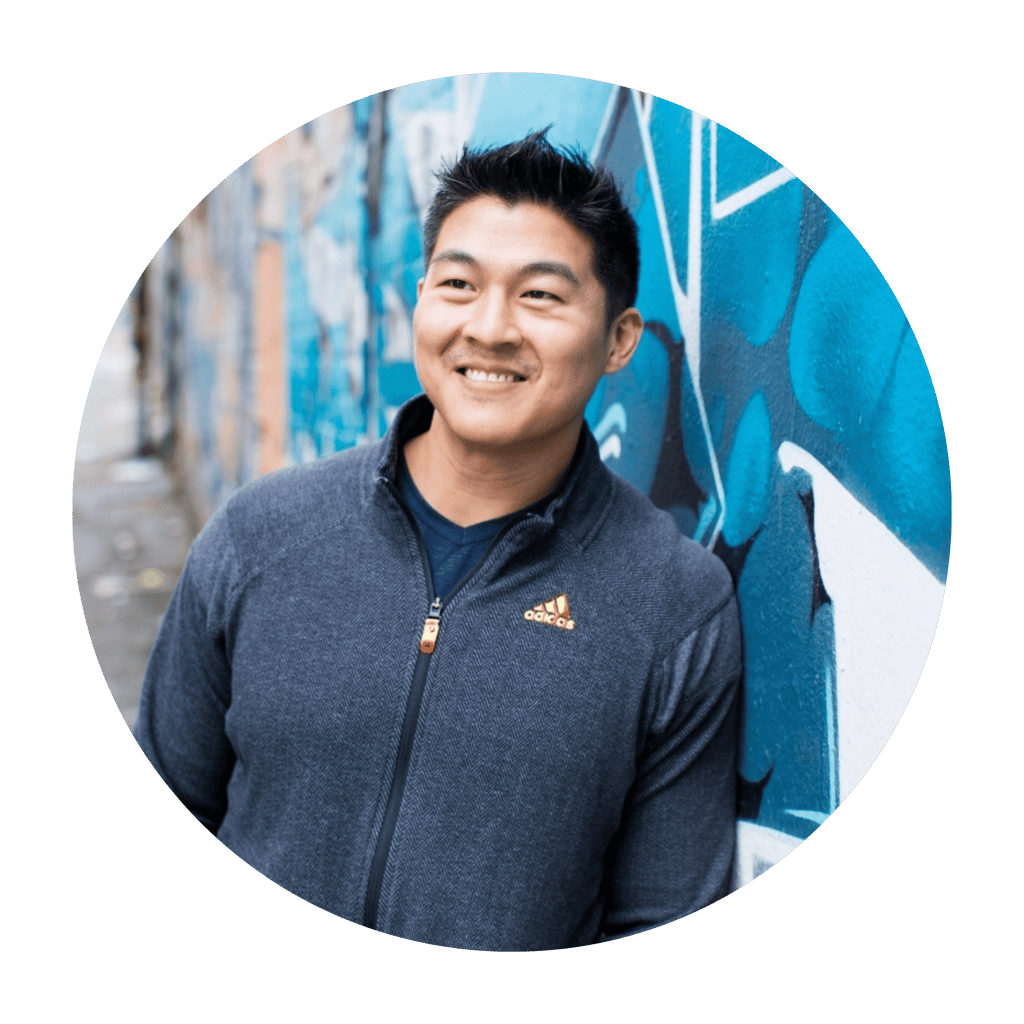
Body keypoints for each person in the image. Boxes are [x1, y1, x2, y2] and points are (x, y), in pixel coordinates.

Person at [135, 130, 742, 952]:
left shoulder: (673, 606)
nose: (489, 328)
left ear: (618, 339)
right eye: (458, 284)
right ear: (421, 301)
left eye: (541, 295)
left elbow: (661, 924)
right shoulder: (260, 537)